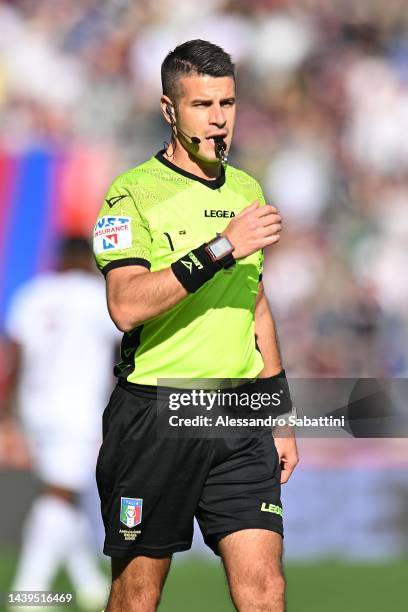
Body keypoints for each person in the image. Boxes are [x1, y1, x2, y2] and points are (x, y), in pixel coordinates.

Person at [93, 40, 299, 612]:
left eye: (227, 103)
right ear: (169, 109)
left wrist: (280, 420)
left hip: (238, 416)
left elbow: (254, 305)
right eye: (202, 105)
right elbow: (126, 305)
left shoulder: (246, 190)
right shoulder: (130, 193)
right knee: (138, 596)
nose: (218, 119)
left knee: (265, 590)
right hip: (156, 413)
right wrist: (221, 247)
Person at [3, 237, 120, 611]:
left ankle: (89, 584)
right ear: (87, 258)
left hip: (36, 406)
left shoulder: (33, 294)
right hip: (78, 407)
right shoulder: (96, 295)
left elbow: (15, 356)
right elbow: (123, 352)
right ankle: (29, 592)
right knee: (61, 494)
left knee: (63, 493)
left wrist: (8, 411)